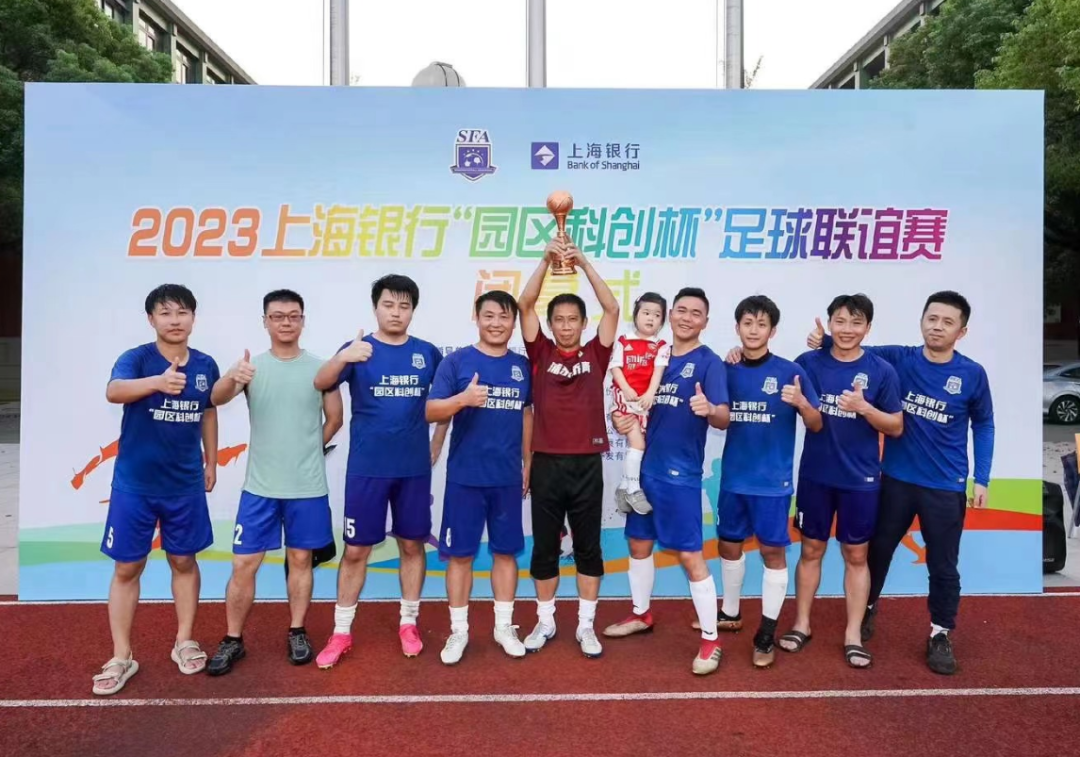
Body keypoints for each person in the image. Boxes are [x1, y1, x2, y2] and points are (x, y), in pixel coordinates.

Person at [806, 290, 994, 675]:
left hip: (945, 484)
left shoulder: (972, 374)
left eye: (947, 322)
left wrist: (982, 477)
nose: (937, 327)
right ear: (922, 320)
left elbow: (984, 424)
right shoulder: (899, 359)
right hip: (894, 479)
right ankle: (866, 609)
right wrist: (824, 340)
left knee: (943, 564)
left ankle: (940, 632)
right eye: (932, 318)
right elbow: (856, 347)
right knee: (876, 552)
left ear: (961, 331)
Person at [205, 290, 344, 675]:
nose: (286, 322)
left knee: (300, 560)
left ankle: (297, 630)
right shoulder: (251, 367)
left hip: (307, 487)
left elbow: (335, 418)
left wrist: (308, 449)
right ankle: (233, 639)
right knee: (244, 563)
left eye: (293, 316)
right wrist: (232, 377)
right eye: (278, 316)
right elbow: (215, 398)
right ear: (265, 321)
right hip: (260, 488)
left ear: (303, 321)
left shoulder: (322, 369)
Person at [313, 275, 448, 667]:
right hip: (367, 468)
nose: (396, 313)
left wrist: (437, 442)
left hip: (413, 469)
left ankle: (409, 623)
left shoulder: (427, 353)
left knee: (412, 545)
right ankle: (341, 632)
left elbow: (446, 401)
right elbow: (321, 381)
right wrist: (345, 357)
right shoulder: (358, 349)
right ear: (376, 307)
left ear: (413, 311)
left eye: (404, 306)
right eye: (389, 305)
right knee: (356, 550)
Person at [93, 284, 220, 695]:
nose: (175, 320)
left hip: (184, 484)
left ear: (193, 318)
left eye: (182, 312)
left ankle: (184, 640)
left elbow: (209, 412)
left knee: (184, 561)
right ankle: (121, 656)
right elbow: (114, 391)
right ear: (151, 319)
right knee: (127, 568)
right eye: (166, 313)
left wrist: (211, 462)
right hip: (136, 485)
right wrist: (157, 383)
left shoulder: (205, 364)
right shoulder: (136, 359)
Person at [604, 288, 730, 675]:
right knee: (638, 544)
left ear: (705, 321)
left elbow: (724, 417)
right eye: (681, 311)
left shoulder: (709, 363)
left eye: (696, 313)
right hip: (644, 472)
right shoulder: (652, 352)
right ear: (669, 315)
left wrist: (710, 409)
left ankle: (711, 640)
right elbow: (628, 406)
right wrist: (621, 420)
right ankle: (641, 614)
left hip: (680, 477)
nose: (687, 318)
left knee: (690, 555)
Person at [772, 294, 902, 669]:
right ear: (829, 324)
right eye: (840, 321)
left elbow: (896, 426)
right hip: (815, 476)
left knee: (856, 555)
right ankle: (801, 624)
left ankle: (853, 634)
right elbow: (766, 371)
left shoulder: (881, 371)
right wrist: (734, 354)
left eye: (856, 322)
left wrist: (865, 408)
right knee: (811, 549)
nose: (847, 329)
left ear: (868, 328)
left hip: (860, 479)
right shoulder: (807, 363)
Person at [517, 237, 620, 658]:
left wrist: (585, 263)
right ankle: (545, 621)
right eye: (558, 319)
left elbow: (612, 309)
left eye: (572, 319)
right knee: (544, 547)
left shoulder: (597, 353)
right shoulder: (539, 352)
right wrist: (545, 261)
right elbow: (524, 304)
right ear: (551, 324)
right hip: (546, 464)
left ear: (582, 323)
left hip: (586, 466)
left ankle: (585, 625)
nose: (564, 326)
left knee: (588, 547)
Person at [425, 291, 533, 665]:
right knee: (460, 556)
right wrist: (463, 400)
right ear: (476, 317)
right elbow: (430, 411)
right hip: (465, 478)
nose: (496, 323)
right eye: (489, 316)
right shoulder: (456, 362)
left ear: (513, 323)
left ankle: (504, 627)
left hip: (506, 478)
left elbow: (527, 415)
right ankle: (459, 630)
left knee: (505, 553)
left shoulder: (522, 366)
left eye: (504, 317)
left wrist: (528, 462)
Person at [715, 295, 822, 669]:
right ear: (737, 327)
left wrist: (802, 403)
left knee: (772, 554)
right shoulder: (726, 369)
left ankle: (766, 634)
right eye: (747, 323)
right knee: (728, 546)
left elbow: (816, 423)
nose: (753, 330)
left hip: (772, 485)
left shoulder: (791, 372)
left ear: (772, 331)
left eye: (761, 324)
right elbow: (717, 418)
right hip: (734, 479)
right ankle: (730, 612)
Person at [609, 292, 671, 515]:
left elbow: (658, 372)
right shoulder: (623, 341)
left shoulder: (661, 346)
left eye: (657, 315)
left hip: (645, 403)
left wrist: (650, 394)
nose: (650, 318)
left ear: (662, 321)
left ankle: (623, 487)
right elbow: (615, 368)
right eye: (646, 313)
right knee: (638, 443)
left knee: (639, 445)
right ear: (635, 315)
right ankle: (634, 490)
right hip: (625, 399)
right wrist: (626, 388)